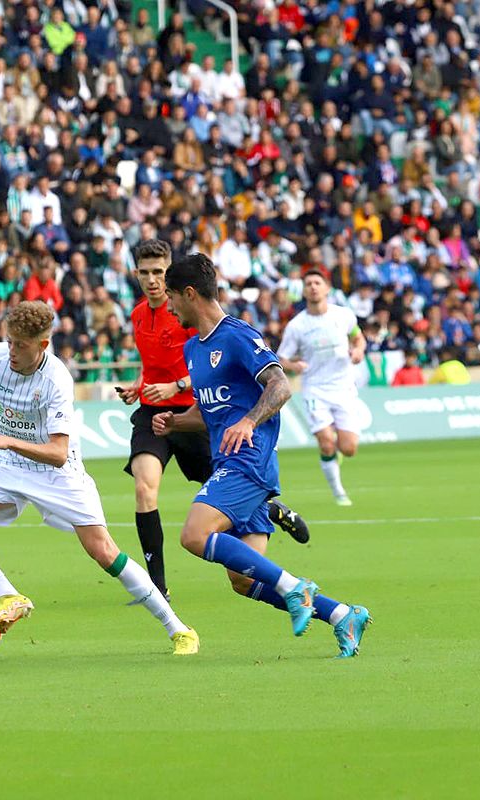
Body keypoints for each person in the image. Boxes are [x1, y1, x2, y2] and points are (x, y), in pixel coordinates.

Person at [0, 300, 199, 655]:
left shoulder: (56, 379)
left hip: (59, 474)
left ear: (42, 345)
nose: (12, 351)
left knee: (103, 552)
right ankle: (9, 595)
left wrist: (6, 439)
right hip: (10, 465)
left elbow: (58, 453)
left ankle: (179, 629)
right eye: (9, 341)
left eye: (21, 345)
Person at [152, 255, 371, 658]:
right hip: (227, 460)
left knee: (193, 536)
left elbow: (280, 386)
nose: (167, 307)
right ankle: (342, 615)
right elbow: (209, 410)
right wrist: (175, 423)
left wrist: (250, 421)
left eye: (170, 297)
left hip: (248, 461)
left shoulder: (237, 336)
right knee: (242, 578)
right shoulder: (193, 348)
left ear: (188, 293)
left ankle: (296, 589)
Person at [118, 239, 308, 598]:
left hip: (215, 424)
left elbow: (243, 377)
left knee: (201, 534)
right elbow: (154, 364)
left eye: (158, 273)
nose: (152, 281)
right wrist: (142, 385)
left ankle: (277, 533)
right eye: (144, 273)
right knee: (146, 488)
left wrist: (180, 388)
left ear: (181, 288)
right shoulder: (141, 315)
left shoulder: (205, 326)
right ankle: (156, 585)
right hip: (168, 413)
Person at [276, 271, 370, 506]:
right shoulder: (297, 326)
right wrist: (293, 365)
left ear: (327, 288)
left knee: (348, 449)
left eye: (317, 283)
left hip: (344, 387)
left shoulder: (343, 315)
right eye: (308, 284)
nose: (313, 287)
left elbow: (358, 338)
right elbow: (281, 358)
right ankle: (339, 492)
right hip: (315, 389)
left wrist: (358, 351)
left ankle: (337, 454)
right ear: (304, 291)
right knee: (326, 441)